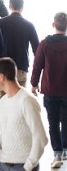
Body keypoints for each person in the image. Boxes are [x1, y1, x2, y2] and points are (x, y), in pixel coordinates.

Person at [0, 57, 48, 171]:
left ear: (1, 77)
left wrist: (28, 167)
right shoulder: (3, 102)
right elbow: (6, 134)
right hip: (3, 165)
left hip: (23, 166)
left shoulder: (27, 101)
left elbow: (41, 138)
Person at [31, 12, 67, 168]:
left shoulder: (44, 44)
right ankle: (65, 149)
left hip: (50, 90)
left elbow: (37, 65)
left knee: (53, 122)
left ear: (54, 25)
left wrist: (34, 83)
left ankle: (57, 152)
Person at [0, 0, 39, 87]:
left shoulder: (0, 23)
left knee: (3, 100)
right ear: (22, 7)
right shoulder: (29, 25)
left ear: (9, 6)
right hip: (21, 68)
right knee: (20, 100)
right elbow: (37, 50)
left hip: (3, 68)